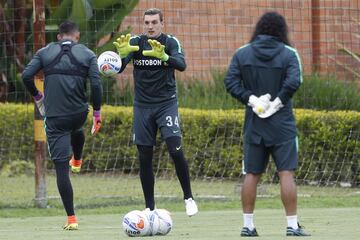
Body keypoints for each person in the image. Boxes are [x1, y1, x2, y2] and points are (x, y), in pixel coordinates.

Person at [224, 11, 310, 237]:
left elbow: (230, 81)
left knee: (251, 173)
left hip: (254, 123)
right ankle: (292, 226)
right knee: (286, 173)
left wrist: (252, 100)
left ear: (259, 28)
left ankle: (248, 226)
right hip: (282, 125)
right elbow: (295, 81)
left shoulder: (242, 53)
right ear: (282, 30)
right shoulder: (289, 54)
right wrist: (277, 102)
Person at [113, 8, 198, 216]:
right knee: (144, 156)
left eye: (154, 22)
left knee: (175, 148)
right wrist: (122, 56)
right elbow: (118, 68)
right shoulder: (135, 42)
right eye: (147, 23)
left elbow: (182, 65)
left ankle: (188, 198)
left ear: (162, 23)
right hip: (142, 107)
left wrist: (164, 56)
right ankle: (150, 208)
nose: (150, 26)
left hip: (166, 104)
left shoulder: (170, 42)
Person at [22, 20, 102, 230]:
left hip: (55, 118)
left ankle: (72, 219)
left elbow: (26, 76)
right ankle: (77, 158)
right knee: (76, 128)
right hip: (79, 114)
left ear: (59, 37)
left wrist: (38, 96)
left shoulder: (45, 52)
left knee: (60, 170)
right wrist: (97, 113)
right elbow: (95, 85)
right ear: (77, 37)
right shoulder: (88, 54)